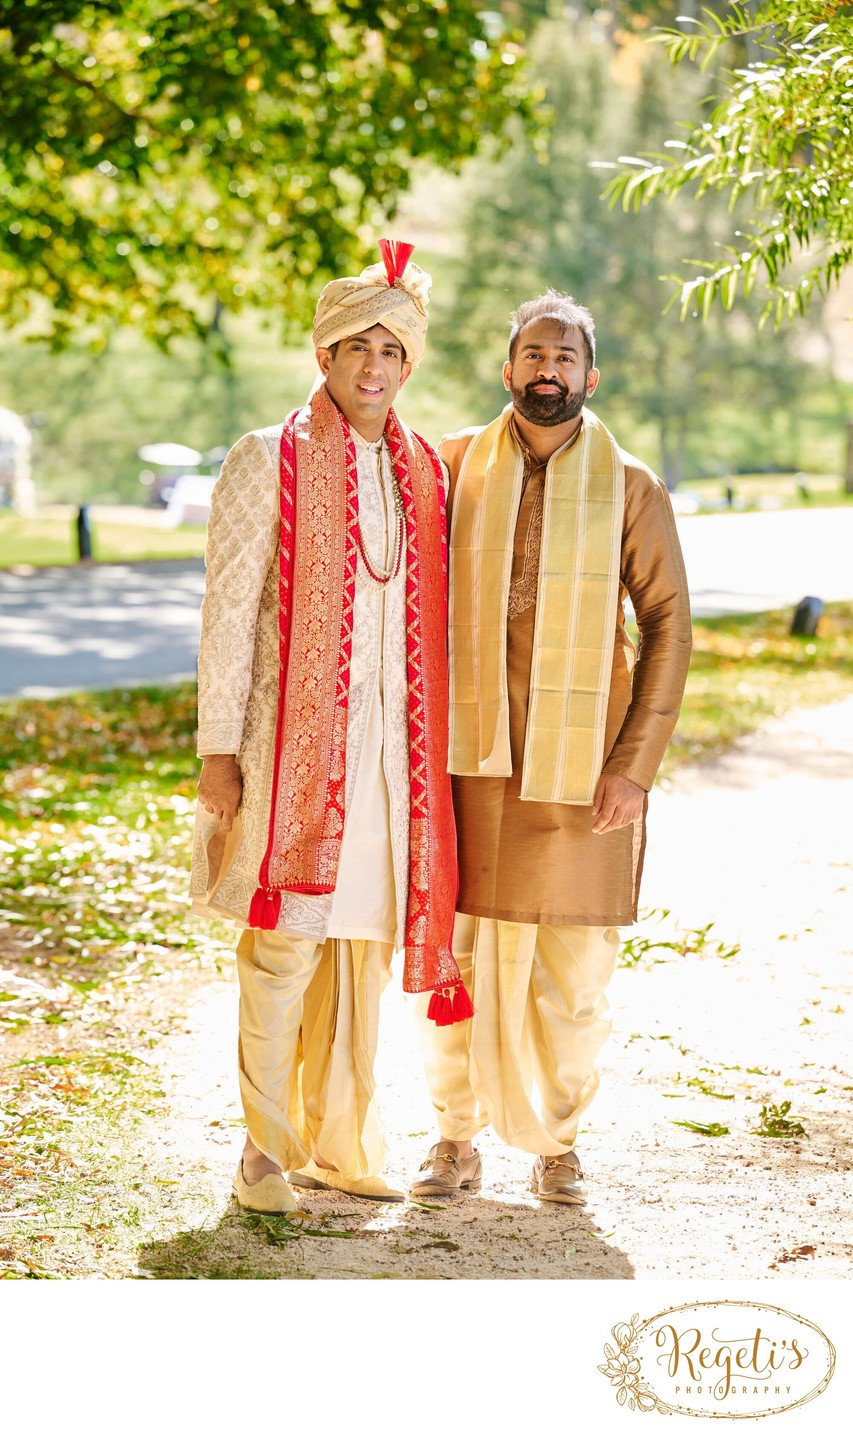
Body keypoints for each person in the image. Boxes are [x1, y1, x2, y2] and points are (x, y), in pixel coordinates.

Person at [189, 240, 470, 1216]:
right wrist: (218, 753)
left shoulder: (424, 473)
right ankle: (263, 1151)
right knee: (282, 947)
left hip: (391, 767)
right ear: (325, 355)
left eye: (392, 352)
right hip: (288, 759)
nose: (374, 368)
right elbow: (227, 616)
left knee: (360, 951)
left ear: (407, 365)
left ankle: (339, 1145)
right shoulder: (267, 458)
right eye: (357, 346)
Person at [411, 291, 692, 1204]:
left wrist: (632, 767)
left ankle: (558, 1142)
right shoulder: (451, 466)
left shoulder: (630, 485)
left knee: (572, 980)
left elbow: (667, 626)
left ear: (589, 376)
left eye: (564, 358)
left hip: (581, 778)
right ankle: (453, 1137)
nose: (548, 370)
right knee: (452, 961)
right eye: (533, 354)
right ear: (507, 369)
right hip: (465, 767)